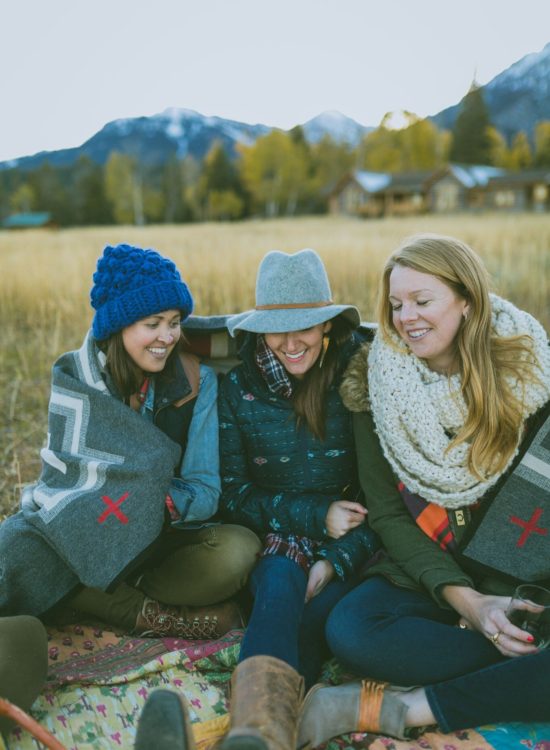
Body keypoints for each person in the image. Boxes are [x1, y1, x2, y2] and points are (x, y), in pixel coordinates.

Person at [298, 233, 550, 746]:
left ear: (467, 301)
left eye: (422, 300)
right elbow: (389, 515)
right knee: (351, 631)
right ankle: (525, 661)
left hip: (524, 568)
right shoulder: (374, 387)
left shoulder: (529, 375)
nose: (405, 317)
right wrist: (472, 606)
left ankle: (404, 707)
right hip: (433, 568)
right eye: (394, 305)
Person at [0, 243, 260, 639]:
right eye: (152, 323)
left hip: (161, 542)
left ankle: (93, 597)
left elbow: (206, 489)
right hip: (83, 537)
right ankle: (146, 614)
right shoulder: (77, 382)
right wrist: (105, 513)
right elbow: (62, 487)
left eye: (174, 322)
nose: (167, 337)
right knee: (14, 549)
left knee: (237, 551)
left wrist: (151, 501)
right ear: (119, 326)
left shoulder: (197, 382)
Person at [216, 249, 379, 750]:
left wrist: (335, 557)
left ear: (326, 326)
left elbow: (389, 496)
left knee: (315, 618)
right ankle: (255, 732)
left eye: (305, 326)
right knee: (280, 589)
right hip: (275, 539)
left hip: (353, 541)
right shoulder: (237, 388)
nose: (291, 342)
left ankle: (277, 727)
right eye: (277, 328)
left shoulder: (360, 377)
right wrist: (313, 516)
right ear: (259, 330)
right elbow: (232, 492)